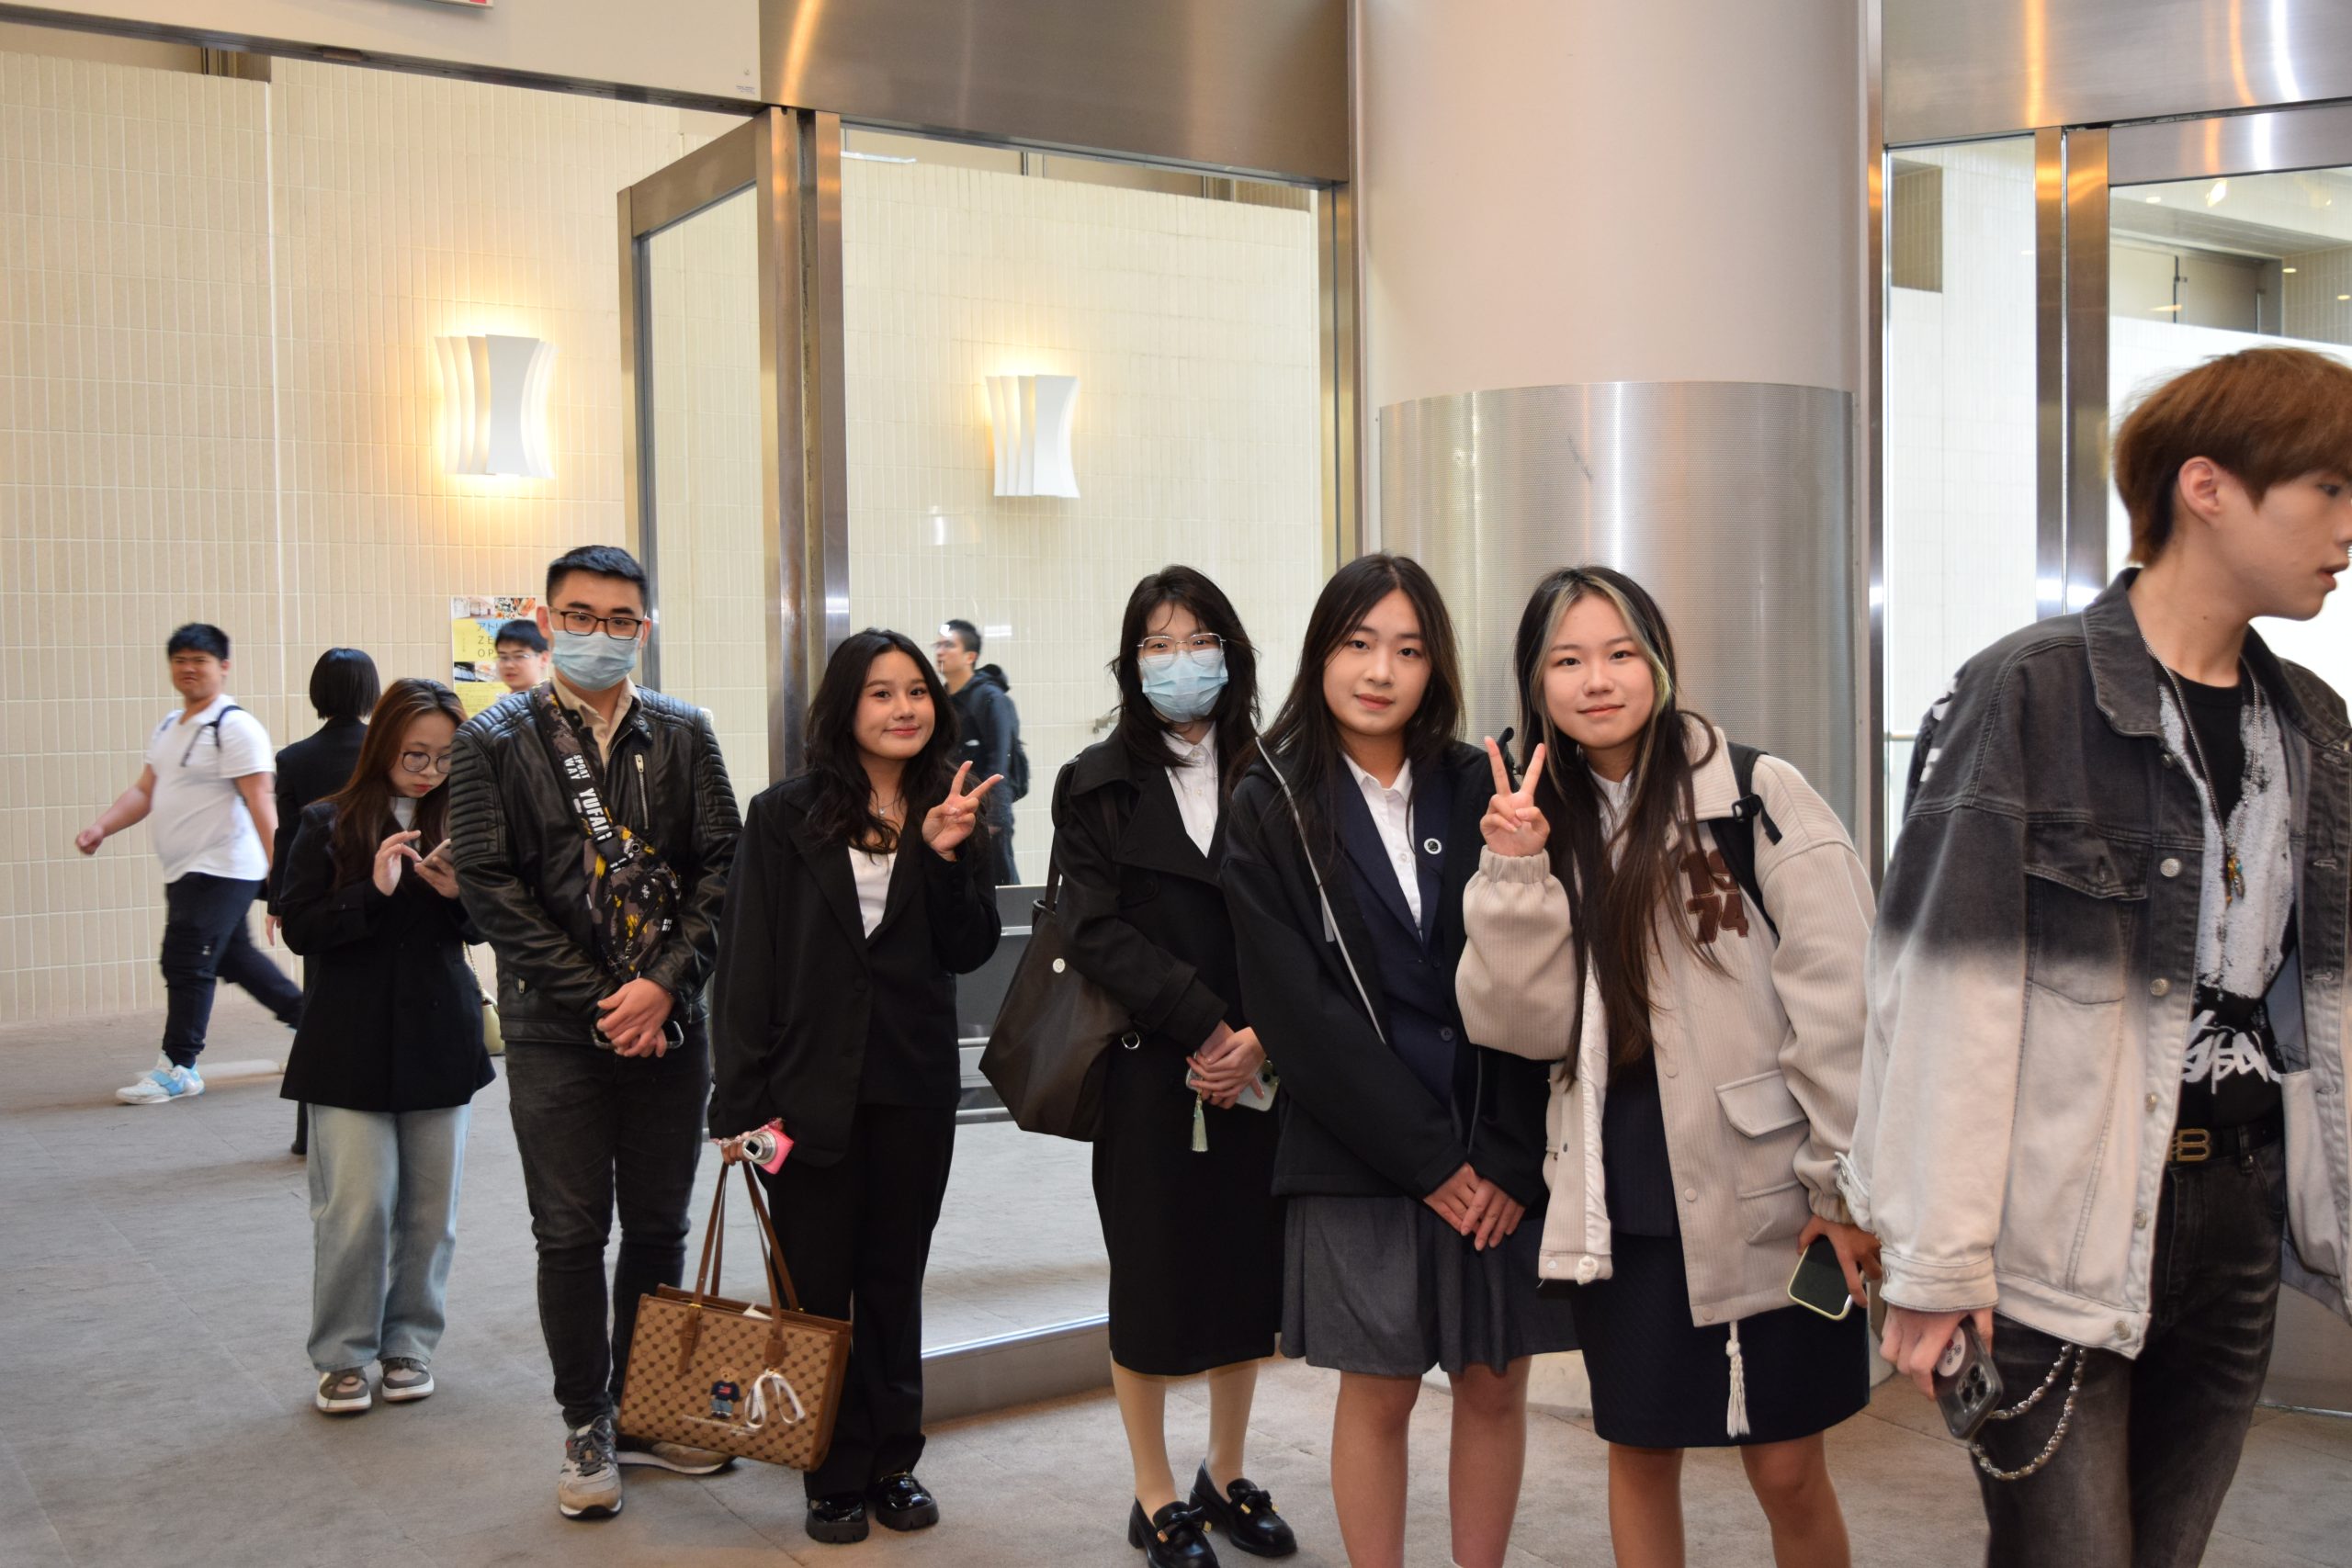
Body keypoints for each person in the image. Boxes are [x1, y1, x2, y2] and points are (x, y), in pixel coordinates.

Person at [1849, 344, 2352, 1567]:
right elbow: (1945, 997)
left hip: (2236, 1212)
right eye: (2330, 487)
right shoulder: (2029, 695)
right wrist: (1936, 1260)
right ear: (2207, 487)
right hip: (2054, 1223)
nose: (2347, 526)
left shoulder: (2312, 723)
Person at [1455, 566, 1879, 1568]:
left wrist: (1841, 1185)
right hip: (1624, 1193)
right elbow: (1519, 1025)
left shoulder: (1756, 793)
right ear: (1536, 682)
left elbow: (1845, 1001)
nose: (1597, 680)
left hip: (1772, 1189)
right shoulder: (1534, 820)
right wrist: (1513, 871)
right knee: (1640, 1452)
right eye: (1567, 660)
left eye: (1619, 653)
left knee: (1788, 1467)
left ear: (1658, 662)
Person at [1222, 553, 1571, 1568]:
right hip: (1361, 1149)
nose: (1381, 671)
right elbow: (1296, 1013)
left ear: (1436, 667)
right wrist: (1429, 1163)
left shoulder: (1479, 782)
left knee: (1495, 1381)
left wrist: (1504, 1155)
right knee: (1377, 1392)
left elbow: (1535, 975)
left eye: (1409, 650)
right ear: (1321, 654)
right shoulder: (1269, 799)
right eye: (1358, 643)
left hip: (1492, 1144)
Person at [447, 544, 742, 1520]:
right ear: (548, 619)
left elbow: (723, 867)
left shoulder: (685, 732)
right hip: (552, 1029)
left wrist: (662, 988)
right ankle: (586, 1420)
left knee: (658, 1225)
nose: (600, 635)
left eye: (620, 620)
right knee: (570, 1232)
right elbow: (490, 889)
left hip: (672, 1024)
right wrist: (605, 1003)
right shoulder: (492, 739)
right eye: (581, 616)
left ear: (643, 629)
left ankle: (647, 1407)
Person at [712, 628, 1002, 1547]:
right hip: (803, 1090)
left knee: (892, 1281)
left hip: (911, 1086)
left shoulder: (952, 803)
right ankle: (830, 1469)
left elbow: (969, 948)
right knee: (812, 1289)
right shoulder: (783, 814)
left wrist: (945, 856)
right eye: (881, 692)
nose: (903, 707)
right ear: (846, 707)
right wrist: (738, 1101)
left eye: (916, 690)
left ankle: (891, 1461)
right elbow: (747, 962)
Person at [1053, 568, 1295, 1567]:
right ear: (1131, 663)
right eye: (1157, 644)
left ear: (1231, 654)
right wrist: (1205, 1025)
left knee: (1246, 1274)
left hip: (1262, 1069)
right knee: (1150, 1279)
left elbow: (1312, 923)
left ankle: (1224, 1471)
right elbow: (1090, 930)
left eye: (1198, 640)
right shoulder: (1096, 781)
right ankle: (1153, 1490)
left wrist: (1260, 1038)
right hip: (1149, 1070)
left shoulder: (1280, 772)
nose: (1180, 660)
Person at [277, 678, 492, 1416]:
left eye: (445, 757)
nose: (429, 771)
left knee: (432, 1212)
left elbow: (488, 927)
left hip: (439, 1035)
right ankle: (342, 1354)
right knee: (357, 1205)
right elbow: (299, 927)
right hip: (349, 1039)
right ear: (382, 746)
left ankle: (409, 1344)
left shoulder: (467, 821)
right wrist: (370, 889)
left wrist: (462, 895)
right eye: (415, 755)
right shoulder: (327, 819)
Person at [77, 623, 304, 1105]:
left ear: (223, 667)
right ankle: (317, 1027)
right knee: (235, 959)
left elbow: (261, 801)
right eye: (180, 660)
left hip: (223, 867)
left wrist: (279, 870)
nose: (189, 669)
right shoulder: (170, 726)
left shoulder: (234, 727)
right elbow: (145, 791)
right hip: (185, 870)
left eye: (199, 660)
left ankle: (178, 1066)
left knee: (185, 961)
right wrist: (102, 827)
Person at [271, 647, 381, 1157]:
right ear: (370, 691)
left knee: (320, 1012)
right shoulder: (383, 751)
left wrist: (278, 901)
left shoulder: (294, 759)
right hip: (382, 892)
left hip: (320, 903)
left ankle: (309, 1133)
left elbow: (288, 838)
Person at [933, 617, 1022, 883]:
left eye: (949, 645)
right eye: (938, 645)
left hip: (986, 815)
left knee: (996, 888)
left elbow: (1000, 760)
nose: (940, 652)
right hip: (949, 812)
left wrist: (995, 819)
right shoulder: (941, 700)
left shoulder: (990, 698)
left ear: (970, 656)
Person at [494, 618, 551, 694]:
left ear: (543, 659)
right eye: (503, 657)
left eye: (519, 656)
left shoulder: (554, 699)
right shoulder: (503, 700)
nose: (508, 665)